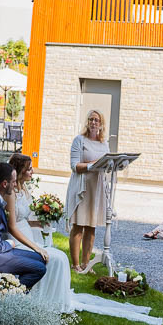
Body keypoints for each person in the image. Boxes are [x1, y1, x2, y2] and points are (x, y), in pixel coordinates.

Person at [0, 162, 48, 289]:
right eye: (14, 181)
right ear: (5, 184)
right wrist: (10, 243)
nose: (16, 184)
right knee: (39, 268)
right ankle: (8, 296)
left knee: (40, 258)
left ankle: (12, 291)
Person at [4, 154, 67, 296]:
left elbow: (21, 218)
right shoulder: (10, 193)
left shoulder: (23, 188)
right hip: (17, 241)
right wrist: (36, 248)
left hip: (28, 237)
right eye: (29, 169)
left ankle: (50, 299)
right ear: (20, 171)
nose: (32, 172)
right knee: (56, 259)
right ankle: (40, 298)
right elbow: (11, 226)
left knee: (62, 257)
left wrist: (36, 223)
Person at [64, 110, 109, 273]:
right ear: (87, 122)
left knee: (91, 226)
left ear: (101, 123)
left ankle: (86, 264)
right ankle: (75, 264)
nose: (93, 122)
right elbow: (74, 166)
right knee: (79, 225)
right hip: (81, 187)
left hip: (97, 188)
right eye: (91, 119)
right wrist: (94, 164)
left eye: (96, 120)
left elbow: (107, 163)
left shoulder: (104, 143)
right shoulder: (79, 140)